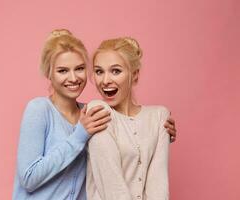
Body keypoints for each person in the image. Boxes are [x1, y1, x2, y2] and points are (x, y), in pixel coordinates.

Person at [12, 30, 176, 200]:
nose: (73, 77)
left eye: (80, 68)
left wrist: (157, 132)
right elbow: (28, 178)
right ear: (49, 73)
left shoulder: (92, 113)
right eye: (62, 71)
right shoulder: (39, 109)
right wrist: (79, 136)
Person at [86, 37, 171, 200]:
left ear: (135, 75)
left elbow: (158, 186)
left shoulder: (159, 116)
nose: (105, 81)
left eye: (116, 71)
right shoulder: (98, 110)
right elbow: (112, 188)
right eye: (99, 71)